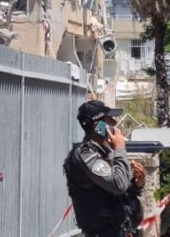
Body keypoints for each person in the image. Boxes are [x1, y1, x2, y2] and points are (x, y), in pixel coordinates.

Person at [64, 100, 145, 237]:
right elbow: (118, 185)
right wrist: (120, 149)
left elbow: (121, 190)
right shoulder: (85, 154)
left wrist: (138, 183)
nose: (114, 123)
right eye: (109, 119)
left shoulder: (105, 150)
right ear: (98, 126)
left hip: (121, 230)